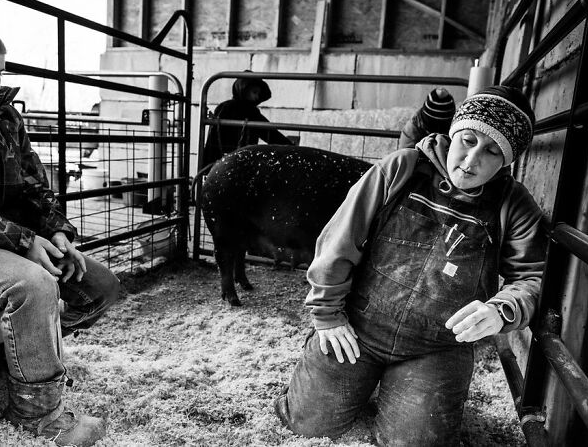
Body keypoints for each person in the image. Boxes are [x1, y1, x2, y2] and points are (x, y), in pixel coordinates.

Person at [274, 85, 546, 446]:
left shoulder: (514, 205)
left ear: (507, 161)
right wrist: (326, 312)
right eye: (467, 140)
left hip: (437, 348)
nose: (471, 159)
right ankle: (354, 384)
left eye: (492, 151)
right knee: (308, 425)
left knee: (413, 442)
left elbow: (531, 277)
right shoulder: (401, 167)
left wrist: (502, 309)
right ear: (453, 132)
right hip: (358, 328)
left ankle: (399, 393)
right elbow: (340, 238)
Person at [0, 12, 119, 446]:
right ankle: (38, 413)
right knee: (33, 285)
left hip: (2, 241)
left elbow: (33, 186)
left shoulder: (4, 117)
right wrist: (24, 241)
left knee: (100, 284)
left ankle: (12, 354)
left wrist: (54, 231)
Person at [201, 72, 294, 168]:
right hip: (241, 161)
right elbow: (270, 133)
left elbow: (269, 132)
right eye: (254, 92)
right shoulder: (249, 111)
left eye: (258, 93)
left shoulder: (224, 107)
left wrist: (207, 164)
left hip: (224, 162)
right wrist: (290, 146)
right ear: (244, 90)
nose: (257, 97)